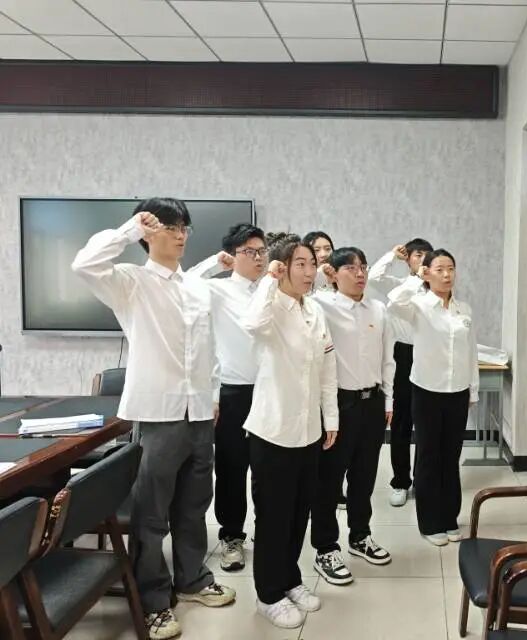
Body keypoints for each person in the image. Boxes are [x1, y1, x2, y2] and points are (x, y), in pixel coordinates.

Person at [71, 198, 235, 640]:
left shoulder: (194, 287)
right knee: (151, 514)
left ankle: (193, 578)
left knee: (194, 505)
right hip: (159, 414)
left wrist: (212, 396)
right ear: (148, 232)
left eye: (184, 227)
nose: (180, 235)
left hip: (199, 412)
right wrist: (129, 230)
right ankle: (153, 600)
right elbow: (84, 264)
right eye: (169, 227)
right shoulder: (131, 282)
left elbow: (207, 350)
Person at [241, 238, 339, 629]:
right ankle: (268, 595)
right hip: (273, 432)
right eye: (300, 264)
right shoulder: (270, 308)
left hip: (308, 431)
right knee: (273, 517)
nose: (309, 271)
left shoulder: (314, 310)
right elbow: (251, 324)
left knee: (299, 512)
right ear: (282, 267)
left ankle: (289, 579)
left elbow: (327, 369)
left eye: (312, 263)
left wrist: (331, 418)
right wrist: (269, 279)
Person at [311, 247, 395, 586]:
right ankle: (325, 548)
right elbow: (301, 293)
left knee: (364, 475)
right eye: (350, 268)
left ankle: (360, 535)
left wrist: (389, 400)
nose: (360, 274)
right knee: (328, 480)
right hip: (338, 404)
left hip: (372, 402)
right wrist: (320, 274)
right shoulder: (322, 306)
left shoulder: (378, 309)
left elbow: (388, 358)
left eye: (363, 267)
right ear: (334, 274)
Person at [186, 223, 268, 572]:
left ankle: (267, 532)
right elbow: (184, 283)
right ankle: (232, 536)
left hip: (271, 391)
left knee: (268, 468)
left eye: (262, 251)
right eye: (250, 251)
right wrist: (213, 264)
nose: (259, 258)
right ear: (233, 255)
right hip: (234, 393)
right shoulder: (217, 290)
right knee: (232, 468)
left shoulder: (272, 289)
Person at [387, 249, 478, 546]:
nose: (447, 274)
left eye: (451, 268)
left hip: (457, 392)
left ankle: (449, 518)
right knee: (428, 456)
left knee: (451, 457)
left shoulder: (464, 309)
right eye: (439, 269)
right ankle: (429, 522)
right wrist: (417, 277)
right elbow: (393, 302)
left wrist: (473, 389)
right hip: (427, 391)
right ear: (427, 273)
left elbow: (471, 351)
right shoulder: (419, 305)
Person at [368, 238, 433, 507]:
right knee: (401, 422)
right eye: (417, 255)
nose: (423, 259)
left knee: (427, 424)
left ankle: (423, 481)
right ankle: (400, 481)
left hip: (429, 355)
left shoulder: (435, 290)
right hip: (403, 354)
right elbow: (374, 277)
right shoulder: (400, 285)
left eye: (427, 255)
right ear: (408, 260)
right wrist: (392, 255)